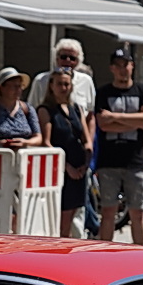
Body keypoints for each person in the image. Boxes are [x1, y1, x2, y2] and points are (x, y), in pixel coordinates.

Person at [93, 48, 143, 244]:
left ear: (132, 66)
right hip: (109, 161)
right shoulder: (103, 92)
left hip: (135, 161)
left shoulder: (142, 91)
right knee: (108, 211)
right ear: (112, 68)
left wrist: (115, 117)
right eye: (118, 65)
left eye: (125, 65)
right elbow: (102, 123)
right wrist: (134, 121)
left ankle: (140, 255)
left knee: (138, 211)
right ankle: (105, 254)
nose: (122, 69)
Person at [38, 69, 92, 237]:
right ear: (51, 86)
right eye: (59, 84)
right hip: (60, 169)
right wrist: (66, 167)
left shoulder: (76, 109)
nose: (63, 88)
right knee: (62, 216)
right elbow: (46, 142)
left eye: (67, 84)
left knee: (74, 212)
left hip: (79, 168)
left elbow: (86, 138)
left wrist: (86, 162)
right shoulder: (46, 110)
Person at [30, 38, 96, 116]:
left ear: (78, 61)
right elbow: (32, 109)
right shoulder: (41, 80)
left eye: (72, 58)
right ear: (57, 59)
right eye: (63, 57)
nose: (67, 60)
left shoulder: (86, 81)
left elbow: (90, 114)